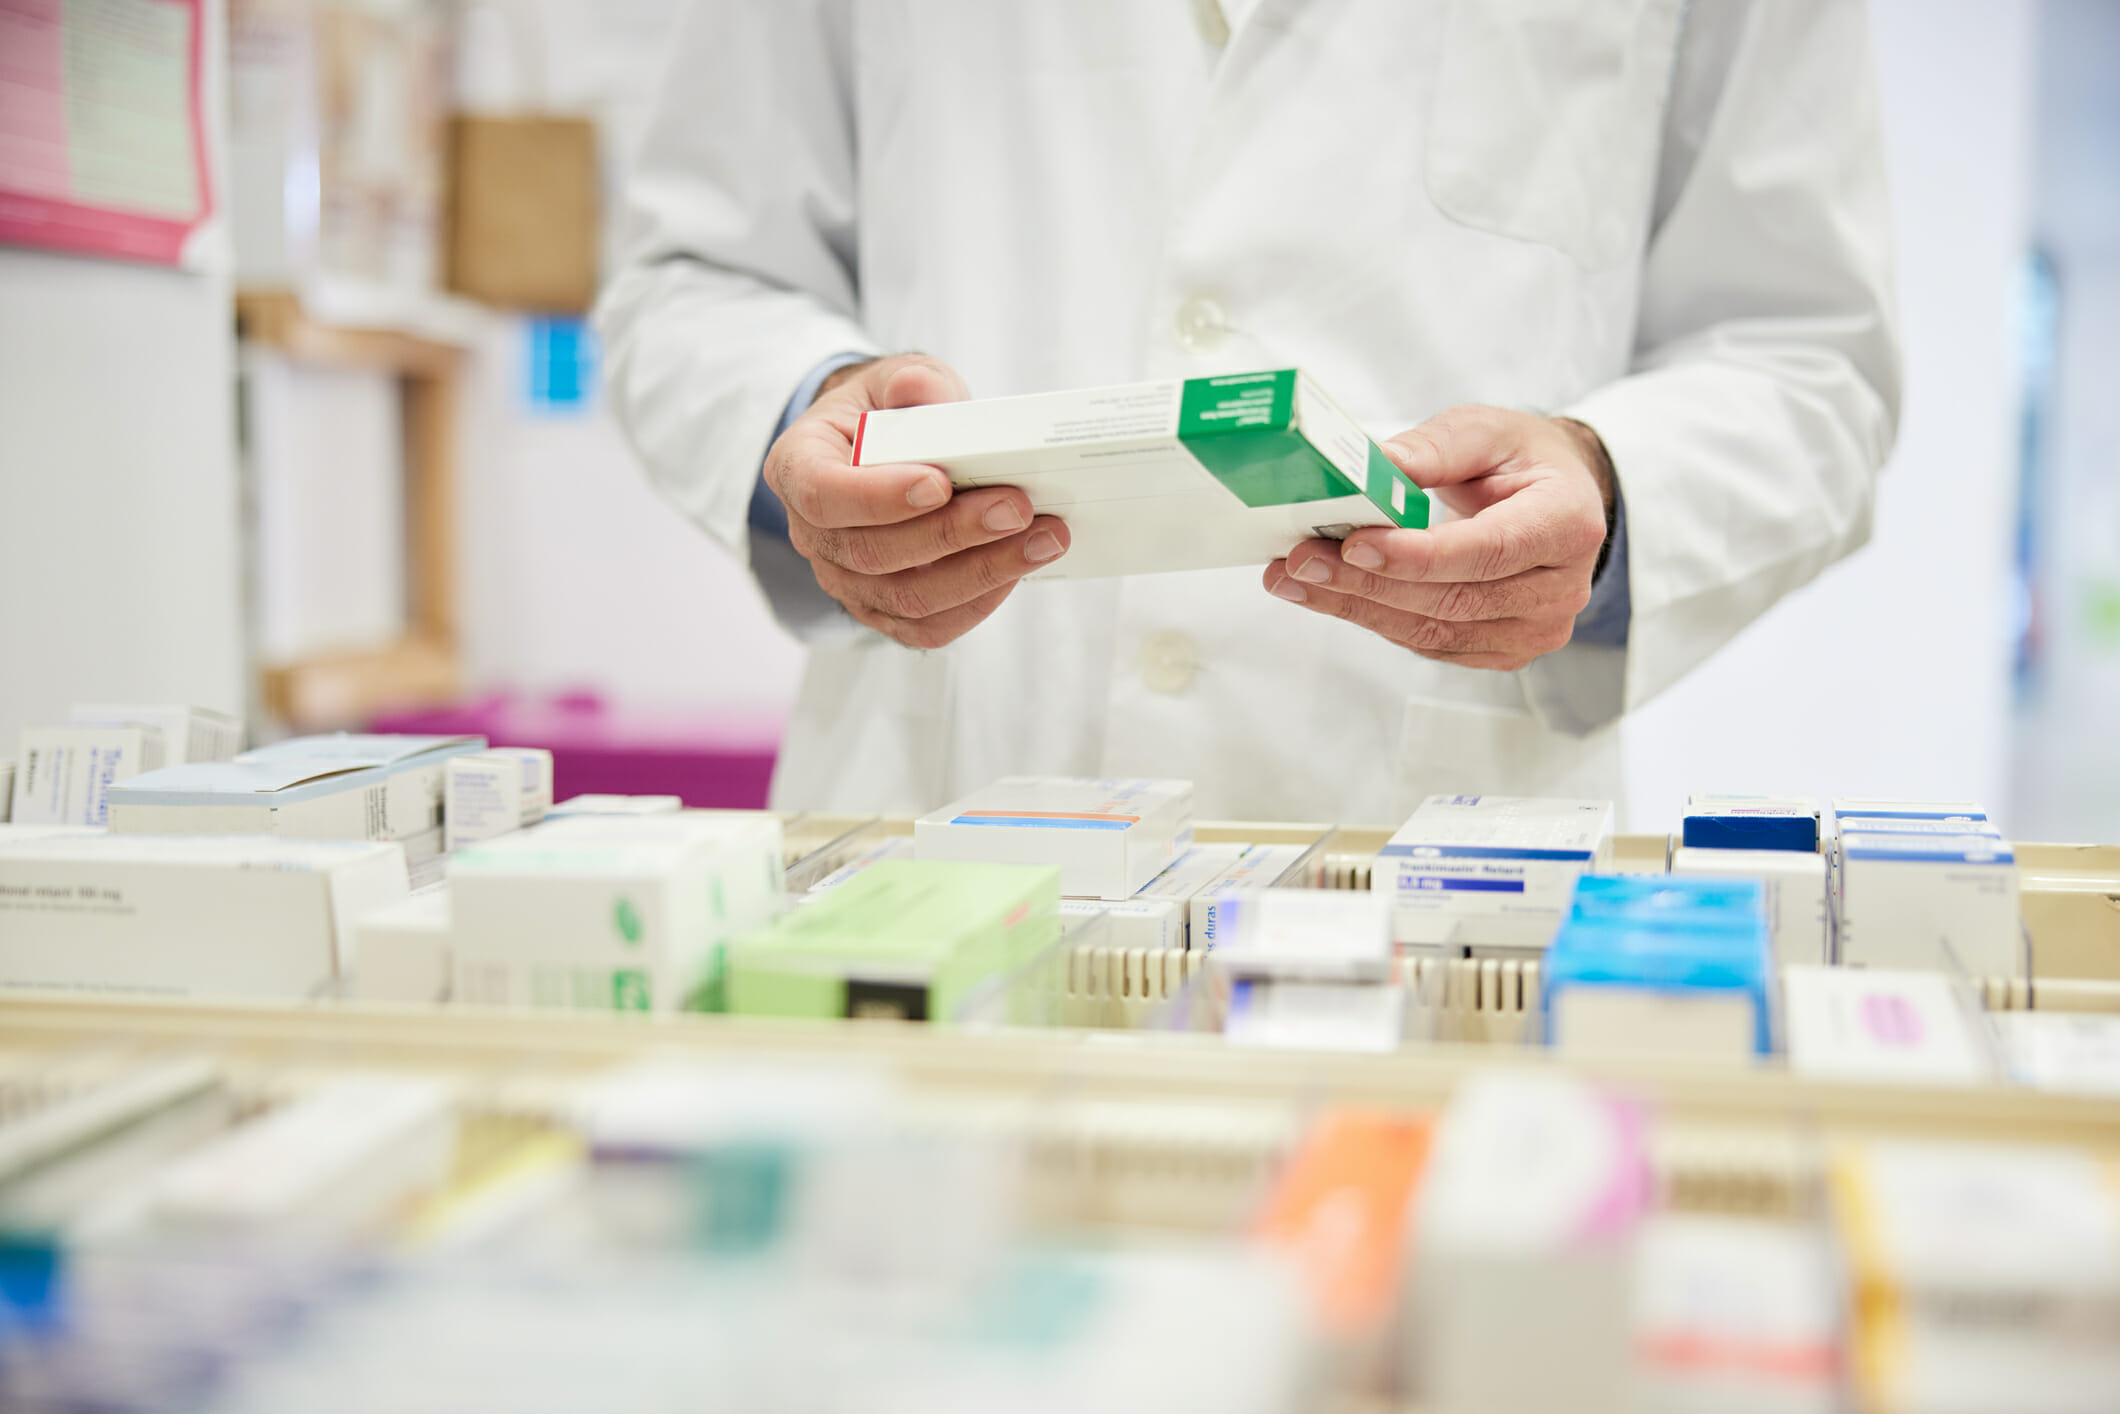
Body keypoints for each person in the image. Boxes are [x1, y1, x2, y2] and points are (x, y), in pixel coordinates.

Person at [598, 0, 1900, 823]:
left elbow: (1806, 352)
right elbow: (698, 272)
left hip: (1423, 859)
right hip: (943, 794)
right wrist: (813, 424)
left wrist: (1611, 499)